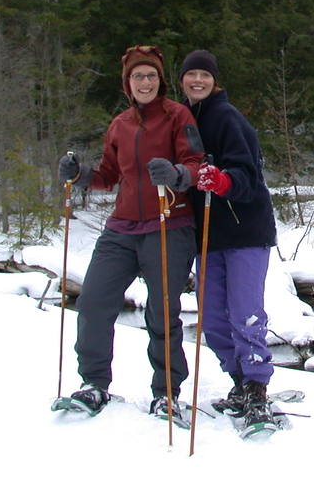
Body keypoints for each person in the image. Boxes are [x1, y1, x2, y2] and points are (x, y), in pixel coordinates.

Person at [57, 45, 204, 419]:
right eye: (138, 76)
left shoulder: (178, 115)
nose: (145, 82)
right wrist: (80, 175)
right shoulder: (120, 124)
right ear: (128, 83)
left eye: (151, 76)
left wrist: (176, 175)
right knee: (92, 302)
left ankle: (167, 391)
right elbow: (108, 176)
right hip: (122, 227)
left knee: (162, 311)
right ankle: (93, 384)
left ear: (160, 81)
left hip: (169, 222)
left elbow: (194, 164)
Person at [177, 49, 278, 426]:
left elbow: (248, 178)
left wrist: (221, 180)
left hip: (245, 231)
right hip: (208, 235)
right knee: (213, 318)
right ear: (182, 80)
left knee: (245, 313)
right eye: (191, 75)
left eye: (204, 75)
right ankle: (238, 379)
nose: (197, 81)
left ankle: (256, 387)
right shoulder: (184, 119)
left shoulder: (227, 117)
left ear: (214, 81)